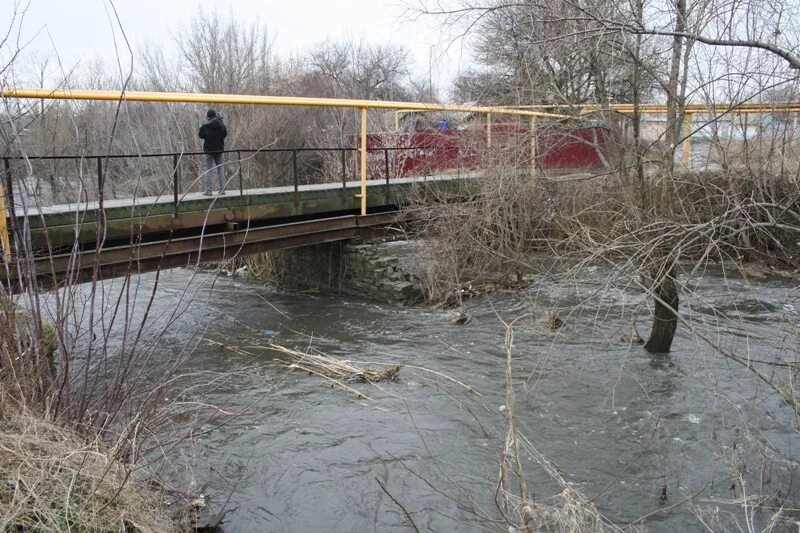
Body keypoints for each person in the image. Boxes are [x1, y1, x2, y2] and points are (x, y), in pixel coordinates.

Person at [198, 109, 228, 195]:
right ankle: (222, 189)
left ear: (208, 116)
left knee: (209, 170)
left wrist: (202, 126)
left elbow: (201, 135)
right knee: (220, 170)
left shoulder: (206, 126)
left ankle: (209, 190)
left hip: (209, 150)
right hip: (219, 150)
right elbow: (224, 134)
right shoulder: (221, 125)